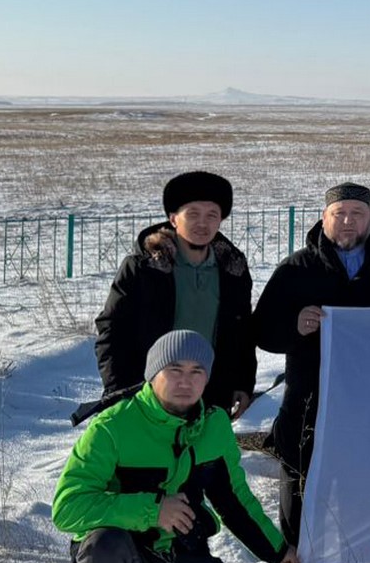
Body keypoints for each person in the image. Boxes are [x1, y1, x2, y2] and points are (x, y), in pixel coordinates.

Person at [54, 330, 299, 563]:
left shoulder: (214, 425)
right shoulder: (113, 427)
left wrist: (278, 551)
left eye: (197, 371)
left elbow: (235, 499)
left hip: (179, 556)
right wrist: (152, 511)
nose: (186, 381)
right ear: (153, 373)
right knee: (100, 545)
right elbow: (67, 507)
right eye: (175, 370)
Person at [252, 182, 370, 563]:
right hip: (308, 403)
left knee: (364, 495)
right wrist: (295, 325)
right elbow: (262, 329)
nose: (347, 222)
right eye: (339, 213)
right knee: (300, 495)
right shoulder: (297, 268)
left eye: (357, 214)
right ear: (324, 218)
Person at [94, 171, 255, 419]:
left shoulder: (233, 271)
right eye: (193, 214)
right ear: (173, 219)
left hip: (212, 393)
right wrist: (119, 390)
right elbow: (112, 330)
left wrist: (243, 383)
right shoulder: (144, 269)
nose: (203, 224)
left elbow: (242, 332)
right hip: (150, 394)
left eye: (212, 215)